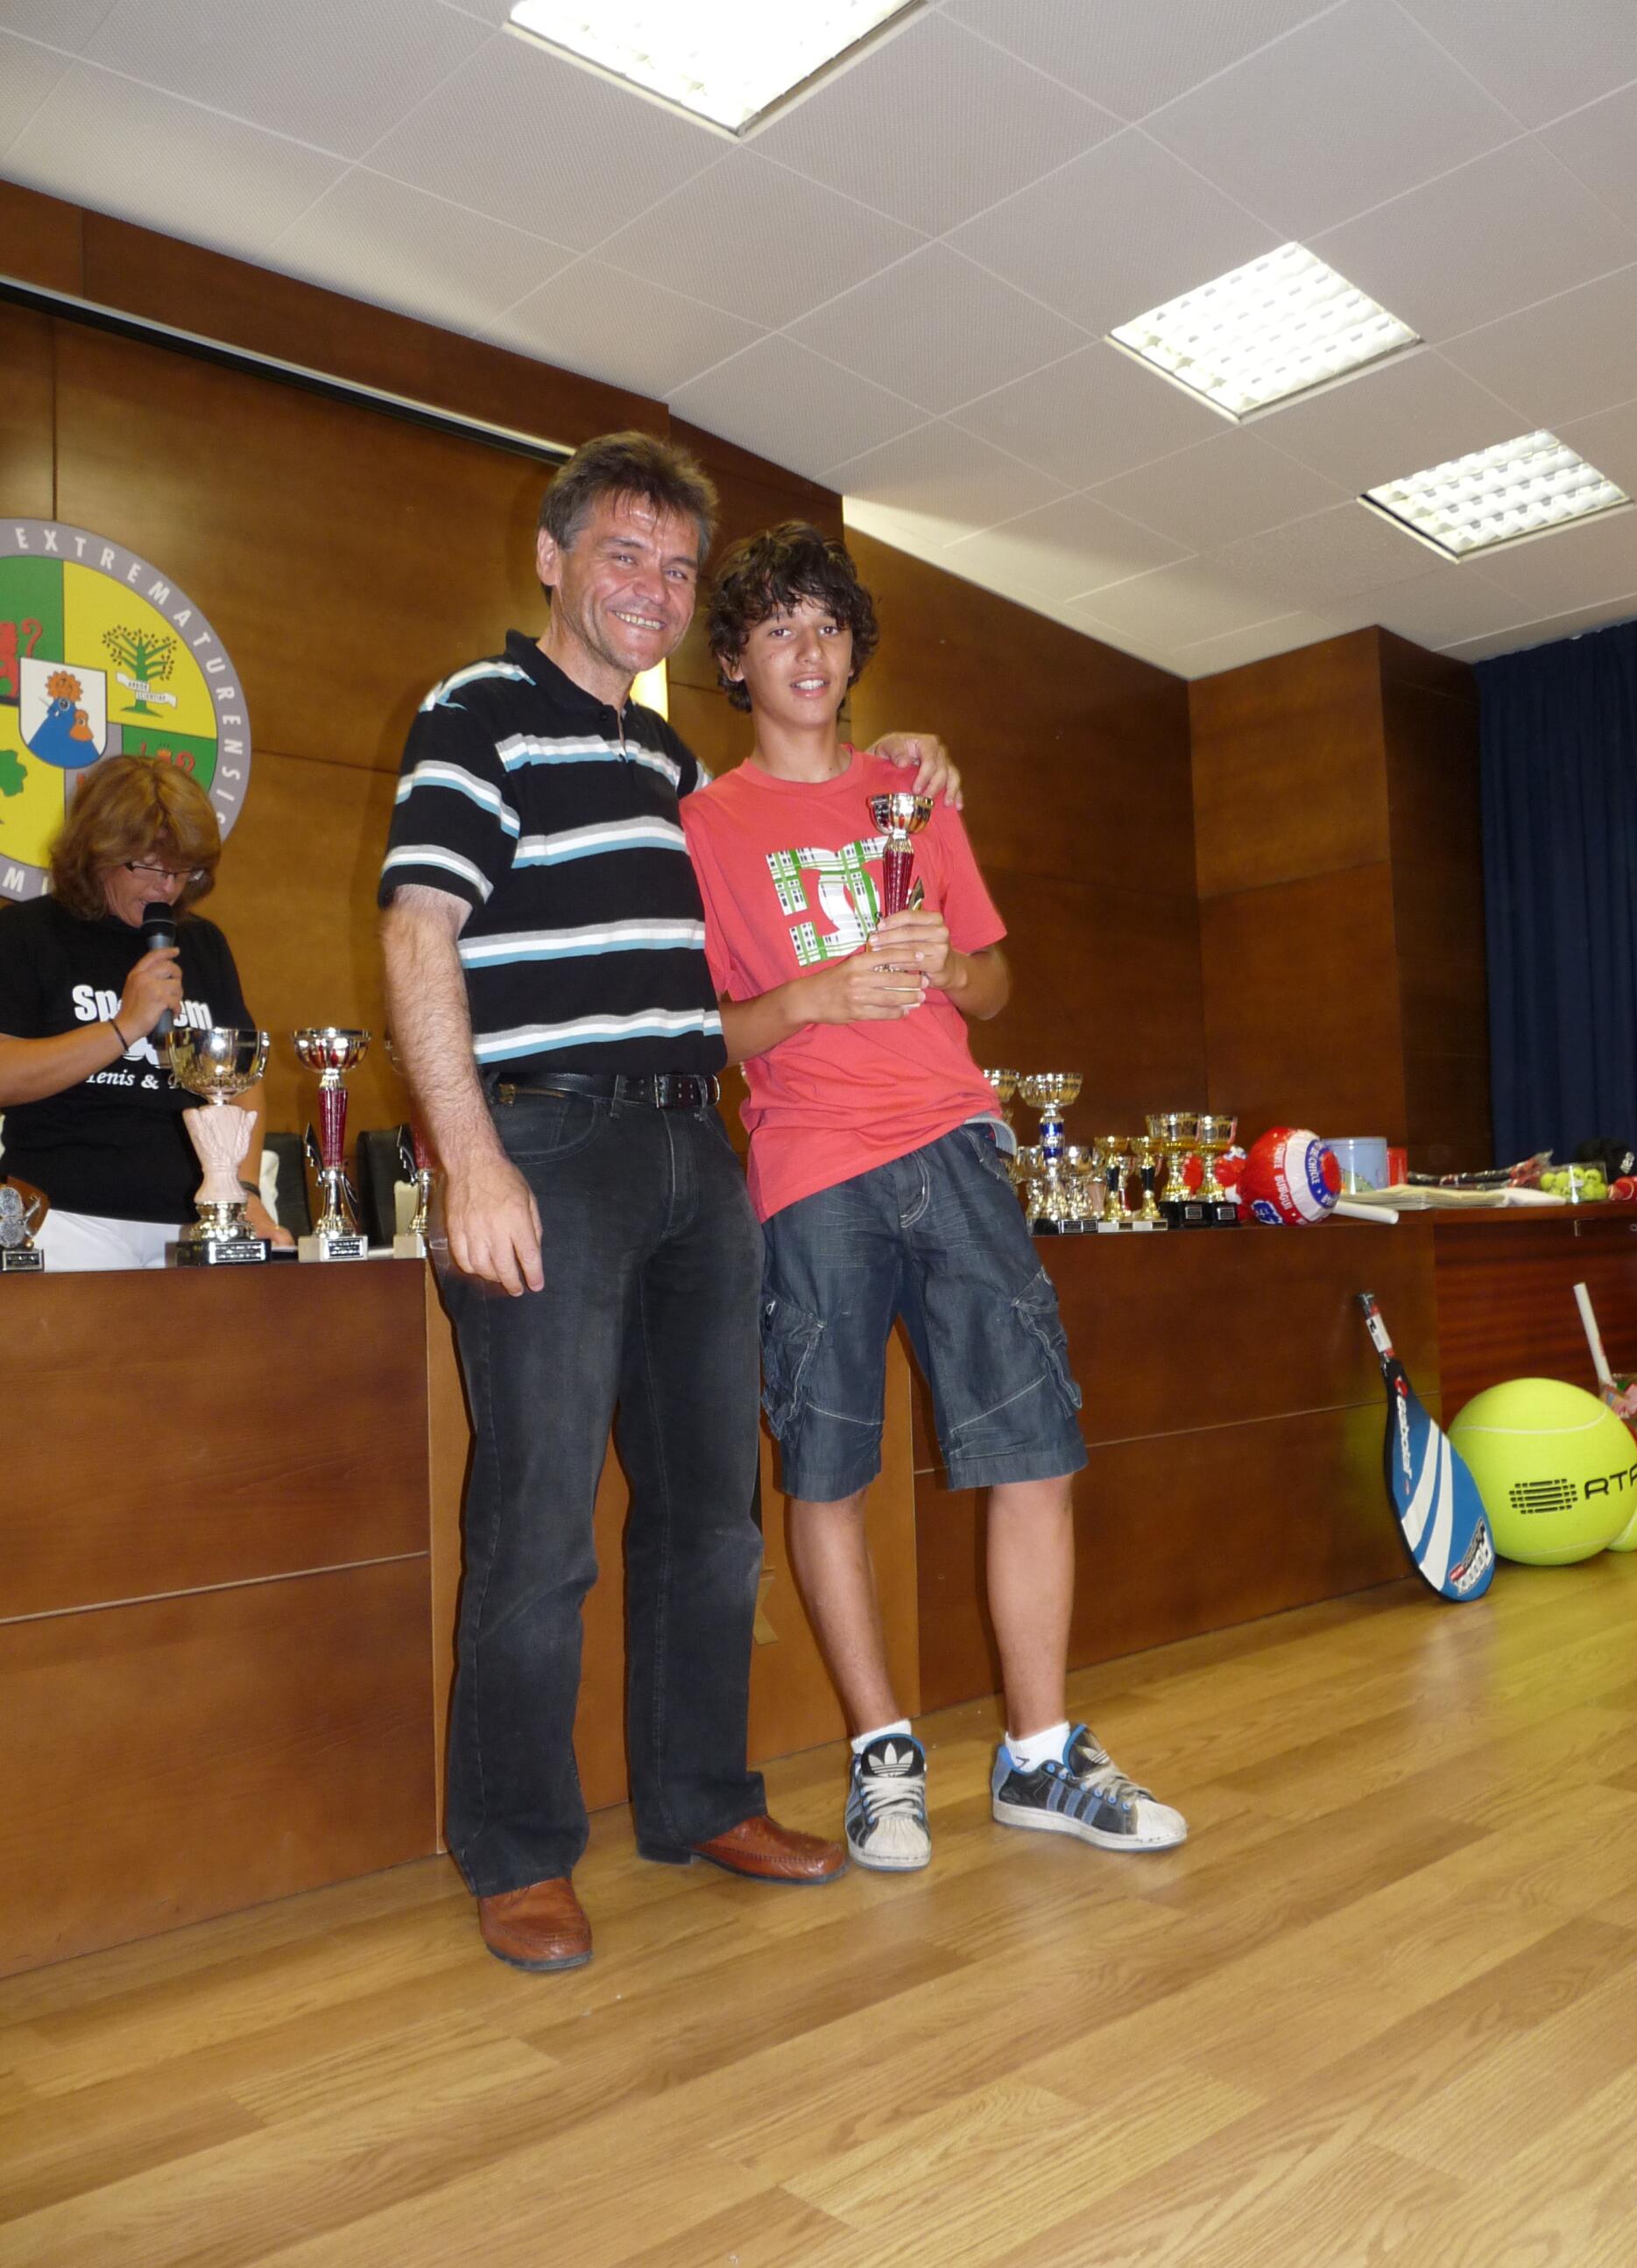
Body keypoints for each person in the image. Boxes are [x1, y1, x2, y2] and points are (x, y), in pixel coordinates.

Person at [378, 432, 961, 1974]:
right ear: (552, 559)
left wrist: (905, 762)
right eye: (621, 552)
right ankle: (517, 1850)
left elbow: (804, 816)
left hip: (696, 1154)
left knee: (711, 1517)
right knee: (538, 1524)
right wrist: (470, 1158)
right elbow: (419, 931)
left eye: (677, 566)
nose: (651, 585)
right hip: (547, 1146)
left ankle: (701, 1798)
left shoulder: (667, 768)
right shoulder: (475, 710)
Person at [681, 523, 1187, 1872]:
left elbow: (995, 981)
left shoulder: (914, 788)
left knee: (1034, 1451)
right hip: (811, 1168)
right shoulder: (704, 826)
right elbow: (700, 1033)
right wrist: (810, 996)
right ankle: (881, 1752)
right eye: (776, 627)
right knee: (827, 1469)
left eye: (826, 625)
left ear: (853, 651)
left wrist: (948, 971)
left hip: (957, 1142)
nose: (806, 649)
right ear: (733, 660)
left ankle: (1039, 1753)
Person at [0, 757, 291, 1269]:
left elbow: (242, 1080)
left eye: (183, 871)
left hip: (191, 1216)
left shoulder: (203, 944)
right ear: (98, 852)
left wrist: (243, 1190)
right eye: (151, 868)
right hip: (64, 1215)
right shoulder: (27, 933)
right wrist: (124, 1025)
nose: (168, 888)